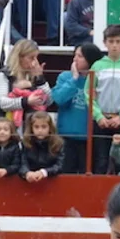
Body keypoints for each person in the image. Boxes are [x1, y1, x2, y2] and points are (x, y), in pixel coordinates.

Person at [88, 25, 120, 174]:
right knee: (101, 160)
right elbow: (88, 93)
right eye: (111, 41)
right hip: (101, 120)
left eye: (118, 41)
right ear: (105, 43)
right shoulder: (97, 66)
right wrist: (98, 115)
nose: (114, 45)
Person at [51, 42, 103, 173]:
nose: (75, 59)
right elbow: (58, 99)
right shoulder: (65, 77)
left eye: (80, 56)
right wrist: (74, 79)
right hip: (66, 137)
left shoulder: (99, 80)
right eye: (75, 55)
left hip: (90, 138)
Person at [0, 39, 49, 133]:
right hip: (10, 126)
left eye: (36, 58)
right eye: (31, 58)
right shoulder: (5, 75)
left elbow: (48, 101)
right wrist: (26, 101)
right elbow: (2, 103)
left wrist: (40, 78)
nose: (35, 62)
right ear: (19, 57)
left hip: (33, 127)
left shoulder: (35, 75)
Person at [19, 111, 64, 182]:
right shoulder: (25, 143)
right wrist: (27, 173)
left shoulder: (58, 143)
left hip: (51, 181)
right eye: (36, 127)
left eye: (44, 127)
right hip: (30, 181)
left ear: (50, 128)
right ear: (31, 128)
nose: (40, 130)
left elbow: (60, 165)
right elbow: (22, 162)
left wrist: (44, 172)